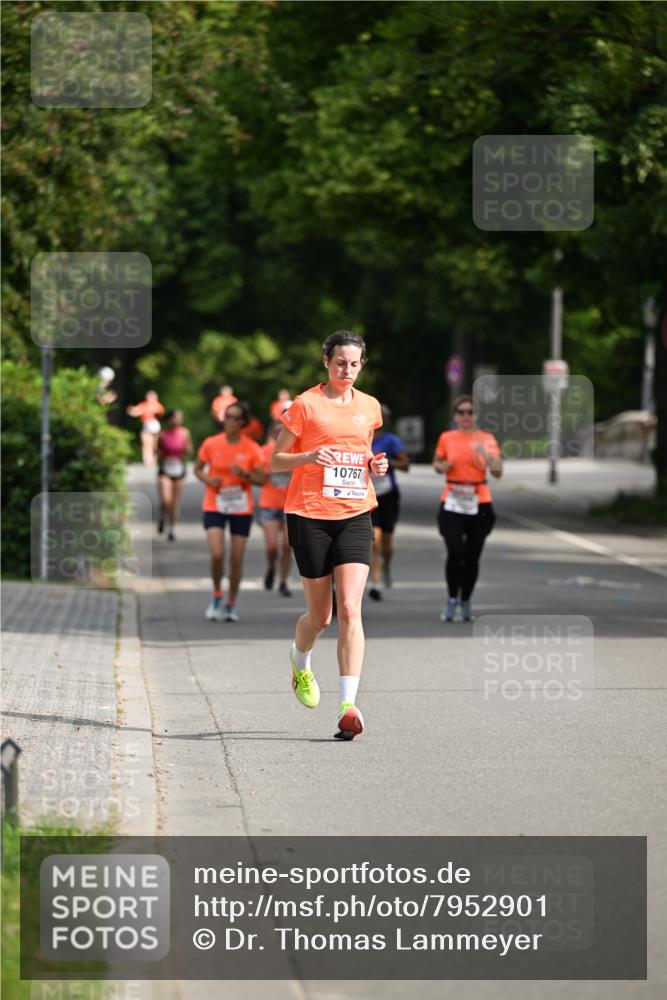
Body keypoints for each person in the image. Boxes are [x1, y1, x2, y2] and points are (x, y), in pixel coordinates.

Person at [271, 330, 389, 740]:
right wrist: (307, 455)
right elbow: (276, 460)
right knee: (321, 617)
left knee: (351, 609)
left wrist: (376, 466)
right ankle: (299, 661)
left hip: (355, 512)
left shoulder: (369, 407)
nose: (348, 370)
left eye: (355, 364)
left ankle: (348, 705)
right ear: (326, 361)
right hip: (309, 515)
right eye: (341, 362)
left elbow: (365, 452)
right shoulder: (306, 405)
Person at [433, 395, 502, 622]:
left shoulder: (487, 438)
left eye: (470, 412)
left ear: (476, 415)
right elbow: (437, 463)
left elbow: (498, 471)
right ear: (455, 416)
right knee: (455, 550)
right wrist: (443, 466)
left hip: (479, 501)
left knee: (472, 556)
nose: (465, 416)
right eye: (461, 412)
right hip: (453, 500)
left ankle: (466, 601)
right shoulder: (447, 438)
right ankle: (452, 598)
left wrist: (484, 455)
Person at [194, 401, 265, 622]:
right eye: (228, 417)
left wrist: (244, 474)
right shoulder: (211, 443)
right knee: (217, 553)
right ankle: (216, 595)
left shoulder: (251, 447)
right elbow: (197, 469)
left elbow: (262, 479)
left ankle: (231, 603)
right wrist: (209, 479)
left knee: (236, 559)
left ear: (243, 422)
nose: (230, 421)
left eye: (235, 418)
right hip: (214, 503)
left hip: (240, 507)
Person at [368, 405, 410, 601]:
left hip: (388, 495)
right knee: (375, 541)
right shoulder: (361, 436)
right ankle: (375, 584)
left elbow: (405, 465)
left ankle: (386, 565)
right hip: (368, 495)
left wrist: (386, 463)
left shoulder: (391, 441)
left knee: (387, 544)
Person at [259, 418, 293, 597]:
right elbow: (259, 476)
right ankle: (271, 567)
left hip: (291, 504)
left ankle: (283, 581)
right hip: (269, 504)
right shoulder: (265, 452)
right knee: (272, 547)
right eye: (277, 430)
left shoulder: (296, 451)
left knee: (288, 545)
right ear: (272, 433)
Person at [157, 409, 193, 541]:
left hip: (179, 468)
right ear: (170, 419)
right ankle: (162, 516)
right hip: (165, 468)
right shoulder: (162, 435)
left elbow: (190, 449)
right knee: (166, 500)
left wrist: (186, 449)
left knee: (175, 502)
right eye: (177, 417)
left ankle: (172, 529)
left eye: (180, 417)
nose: (180, 420)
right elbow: (158, 451)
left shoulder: (184, 433)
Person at [126, 390, 164, 466]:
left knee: (154, 444)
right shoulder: (144, 405)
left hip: (154, 425)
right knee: (146, 443)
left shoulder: (157, 406)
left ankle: (153, 458)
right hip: (147, 424)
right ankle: (147, 459)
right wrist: (131, 410)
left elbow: (161, 416)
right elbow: (135, 412)